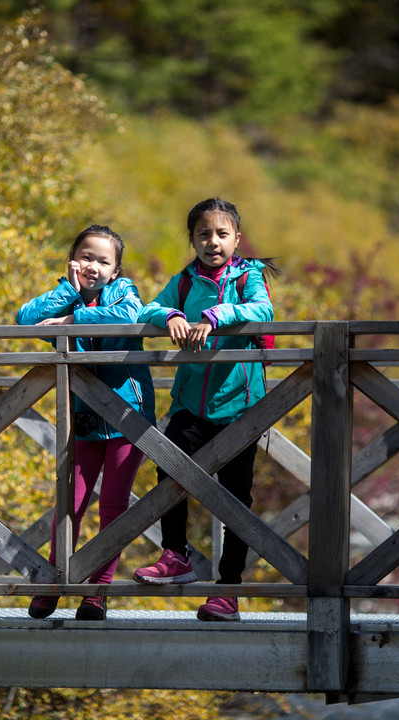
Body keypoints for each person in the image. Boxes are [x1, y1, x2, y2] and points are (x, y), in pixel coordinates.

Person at [133, 198, 275, 622]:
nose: (212, 242)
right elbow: (148, 308)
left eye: (221, 234)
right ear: (192, 239)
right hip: (190, 404)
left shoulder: (250, 275)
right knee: (169, 470)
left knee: (236, 501)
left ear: (236, 237)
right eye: (203, 234)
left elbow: (262, 310)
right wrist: (173, 315)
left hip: (240, 409)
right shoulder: (184, 280)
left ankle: (227, 591)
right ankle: (175, 557)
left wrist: (216, 314)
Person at [16, 224, 155, 621]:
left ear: (116, 268)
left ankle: (97, 591)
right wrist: (69, 295)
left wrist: (72, 319)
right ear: (73, 259)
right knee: (69, 503)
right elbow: (25, 319)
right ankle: (54, 583)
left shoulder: (124, 292)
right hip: (87, 417)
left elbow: (129, 315)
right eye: (86, 256)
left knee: (112, 505)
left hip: (128, 415)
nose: (93, 265)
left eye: (103, 260)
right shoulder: (64, 297)